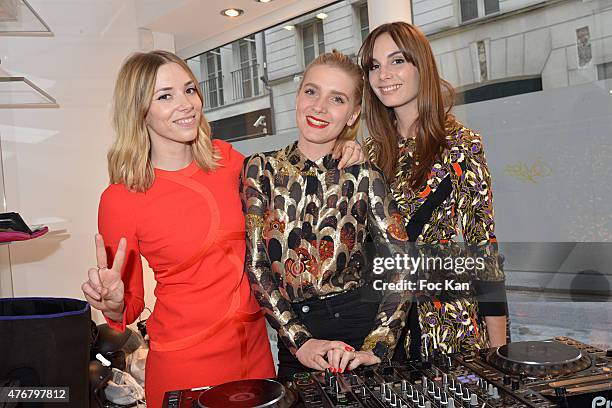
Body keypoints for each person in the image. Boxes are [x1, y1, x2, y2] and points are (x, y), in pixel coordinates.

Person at [80, 50, 365, 407]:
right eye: (165, 96)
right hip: (186, 364)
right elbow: (130, 305)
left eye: (189, 90)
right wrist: (114, 303)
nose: (185, 104)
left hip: (257, 356)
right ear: (139, 109)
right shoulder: (121, 198)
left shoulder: (227, 160)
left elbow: (291, 179)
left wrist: (340, 147)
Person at [241, 51, 414, 380]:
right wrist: (298, 340)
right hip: (296, 344)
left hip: (356, 332)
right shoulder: (259, 169)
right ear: (297, 97)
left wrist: (377, 346)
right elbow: (255, 263)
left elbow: (403, 264)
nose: (319, 107)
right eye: (311, 91)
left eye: (337, 98)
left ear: (352, 115)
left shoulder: (363, 174)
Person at [359, 22, 508, 360]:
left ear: (420, 65)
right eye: (374, 66)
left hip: (447, 325)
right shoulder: (369, 153)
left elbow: (482, 247)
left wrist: (499, 349)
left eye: (397, 61)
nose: (384, 75)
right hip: (382, 329)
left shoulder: (460, 144)